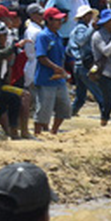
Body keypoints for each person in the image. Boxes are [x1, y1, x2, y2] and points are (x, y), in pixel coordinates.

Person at [33, 7, 71, 135]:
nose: (60, 22)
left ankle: (54, 131)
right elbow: (41, 56)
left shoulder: (58, 36)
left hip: (59, 79)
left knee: (65, 106)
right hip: (46, 79)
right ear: (48, 20)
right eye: (57, 20)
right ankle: (37, 133)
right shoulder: (43, 36)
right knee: (43, 109)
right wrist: (55, 68)